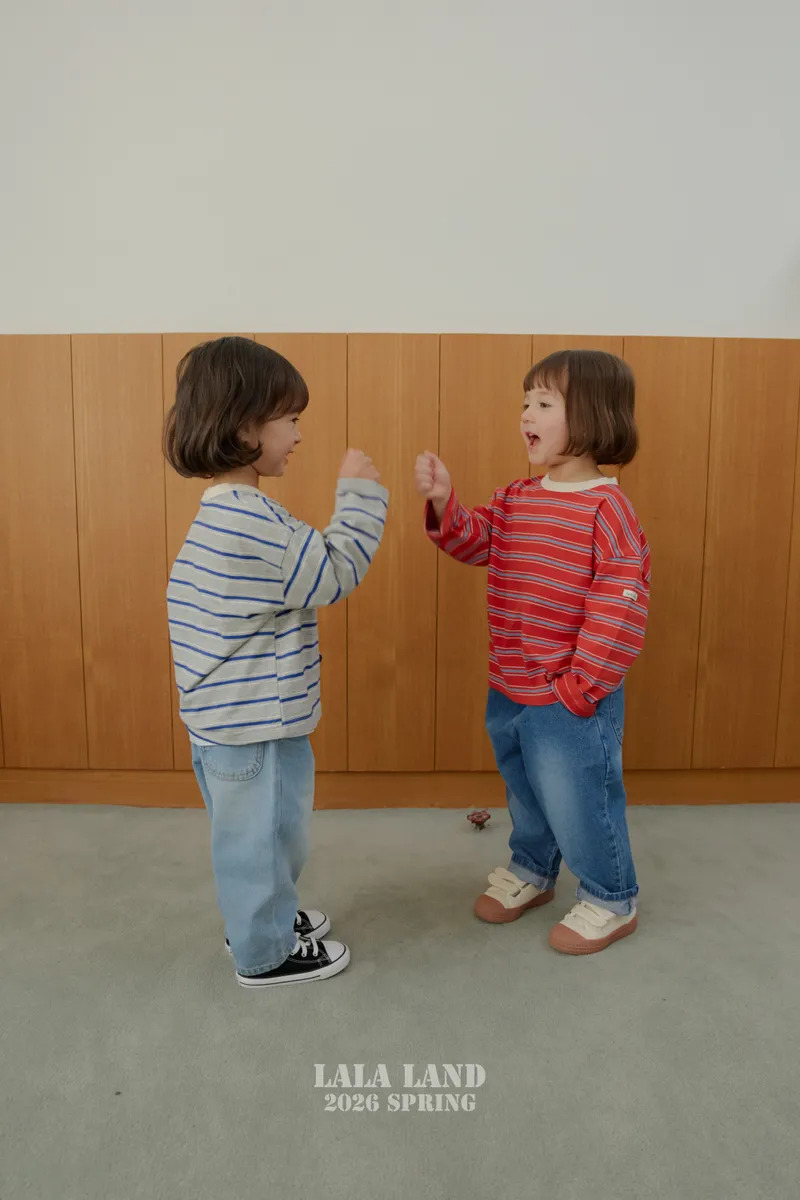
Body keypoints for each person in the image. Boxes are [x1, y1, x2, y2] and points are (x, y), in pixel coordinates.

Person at [164, 337, 388, 985]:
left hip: (237, 722)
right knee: (260, 840)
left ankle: (262, 918)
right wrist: (360, 498)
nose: (298, 435)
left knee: (267, 835)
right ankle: (264, 954)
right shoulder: (248, 521)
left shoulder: (229, 514)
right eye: (289, 419)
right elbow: (332, 573)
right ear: (244, 429)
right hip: (250, 726)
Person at [415, 349, 650, 955]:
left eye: (544, 403)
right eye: (526, 402)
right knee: (524, 788)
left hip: (572, 694)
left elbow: (620, 605)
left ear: (593, 416)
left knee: (580, 797)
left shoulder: (608, 510)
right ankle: (533, 869)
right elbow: (476, 542)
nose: (526, 414)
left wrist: (582, 686)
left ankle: (611, 897)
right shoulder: (517, 498)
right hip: (510, 683)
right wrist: (443, 502)